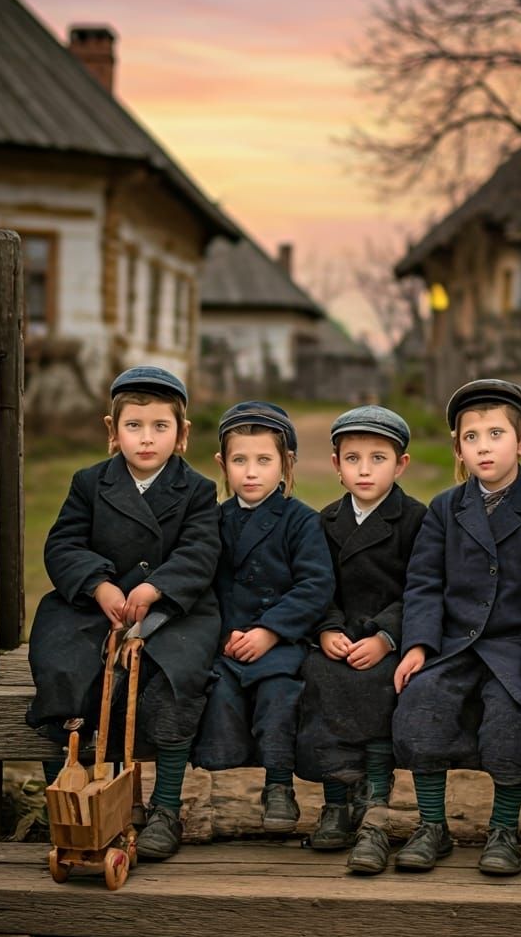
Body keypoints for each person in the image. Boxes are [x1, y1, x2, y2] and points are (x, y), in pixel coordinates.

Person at [26, 366, 222, 860]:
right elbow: (63, 543)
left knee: (175, 679)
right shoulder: (90, 483)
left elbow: (201, 551)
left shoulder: (196, 490)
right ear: (112, 431)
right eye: (134, 425)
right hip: (95, 608)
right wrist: (98, 583)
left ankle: (165, 808)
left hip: (176, 611)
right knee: (63, 668)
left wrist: (158, 586)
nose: (147, 438)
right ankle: (67, 801)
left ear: (182, 435)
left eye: (161, 426)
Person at [392, 379, 521, 873]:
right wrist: (418, 646)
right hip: (453, 645)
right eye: (471, 438)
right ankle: (432, 825)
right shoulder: (446, 509)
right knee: (422, 701)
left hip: (514, 648)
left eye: (496, 434)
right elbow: (424, 584)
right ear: (458, 448)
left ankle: (503, 830)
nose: (483, 447)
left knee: (514, 716)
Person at [192, 402, 335, 833]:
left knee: (279, 697)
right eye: (239, 460)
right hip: (226, 641)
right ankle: (192, 786)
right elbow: (203, 583)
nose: (251, 472)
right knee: (217, 693)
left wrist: (270, 631)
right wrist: (221, 636)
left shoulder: (301, 521)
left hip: (280, 643)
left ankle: (278, 785)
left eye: (263, 460)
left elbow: (315, 585)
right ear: (222, 463)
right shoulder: (213, 521)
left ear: (286, 464)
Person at [295, 406, 427, 871]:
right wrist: (327, 627)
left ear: (401, 465)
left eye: (378, 458)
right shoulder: (324, 521)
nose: (364, 470)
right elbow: (315, 583)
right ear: (336, 465)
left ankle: (375, 800)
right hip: (338, 636)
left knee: (381, 683)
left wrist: (388, 637)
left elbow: (421, 587)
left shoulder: (415, 520)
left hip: (386, 640)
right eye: (352, 459)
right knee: (318, 675)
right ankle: (335, 800)